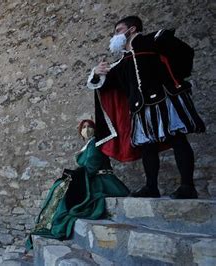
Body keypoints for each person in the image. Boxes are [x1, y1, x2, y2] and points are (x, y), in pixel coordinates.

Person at [87, 16, 205, 199]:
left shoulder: (154, 41)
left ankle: (187, 186)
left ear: (132, 29)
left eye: (119, 30)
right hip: (140, 108)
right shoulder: (121, 63)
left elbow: (184, 53)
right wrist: (96, 73)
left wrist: (176, 80)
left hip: (165, 99)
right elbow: (104, 86)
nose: (115, 35)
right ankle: (151, 187)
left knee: (178, 139)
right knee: (147, 147)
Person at [26, 120, 129, 249]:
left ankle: (56, 221)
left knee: (64, 188)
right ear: (80, 131)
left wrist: (76, 176)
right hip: (92, 177)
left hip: (101, 180)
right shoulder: (89, 144)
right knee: (60, 186)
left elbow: (92, 165)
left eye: (89, 126)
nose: (87, 129)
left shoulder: (95, 143)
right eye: (84, 127)